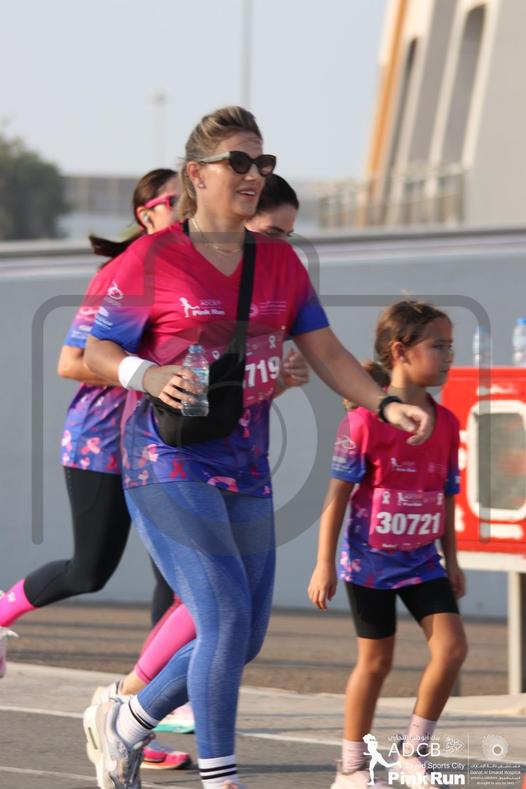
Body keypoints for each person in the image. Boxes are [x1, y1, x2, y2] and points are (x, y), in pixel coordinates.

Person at [82, 105, 431, 789]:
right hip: (165, 459)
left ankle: (127, 720)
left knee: (243, 639)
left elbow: (326, 351)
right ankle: (222, 779)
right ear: (196, 174)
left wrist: (386, 402)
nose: (254, 174)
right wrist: (146, 373)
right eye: (238, 162)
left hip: (244, 461)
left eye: (262, 162)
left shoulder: (278, 259)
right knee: (223, 616)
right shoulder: (152, 257)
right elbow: (95, 349)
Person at [308, 301, 468, 789]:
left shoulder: (447, 423)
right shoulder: (362, 422)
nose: (448, 356)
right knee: (376, 663)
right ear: (400, 351)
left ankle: (412, 756)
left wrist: (452, 561)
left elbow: (446, 497)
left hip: (423, 563)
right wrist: (324, 564)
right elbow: (336, 499)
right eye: (438, 346)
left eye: (450, 346)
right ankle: (351, 767)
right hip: (369, 564)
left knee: (452, 649)